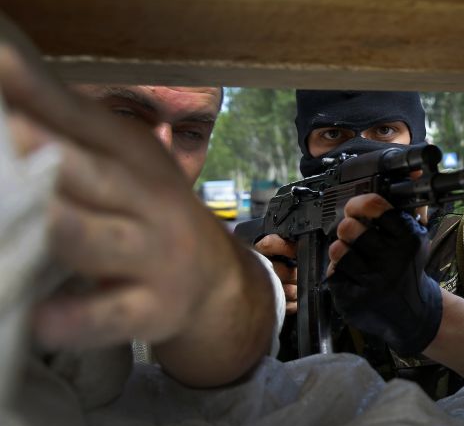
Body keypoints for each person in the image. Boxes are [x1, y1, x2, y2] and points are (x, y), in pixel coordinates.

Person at [1, 20, 284, 389]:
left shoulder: (223, 267)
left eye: (190, 132)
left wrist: (214, 290)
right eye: (125, 114)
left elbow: (226, 373)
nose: (161, 155)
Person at [256, 90, 464, 395]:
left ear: (415, 136)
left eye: (384, 130)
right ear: (306, 144)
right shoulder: (291, 221)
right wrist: (255, 299)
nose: (360, 149)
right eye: (332, 134)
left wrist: (427, 314)